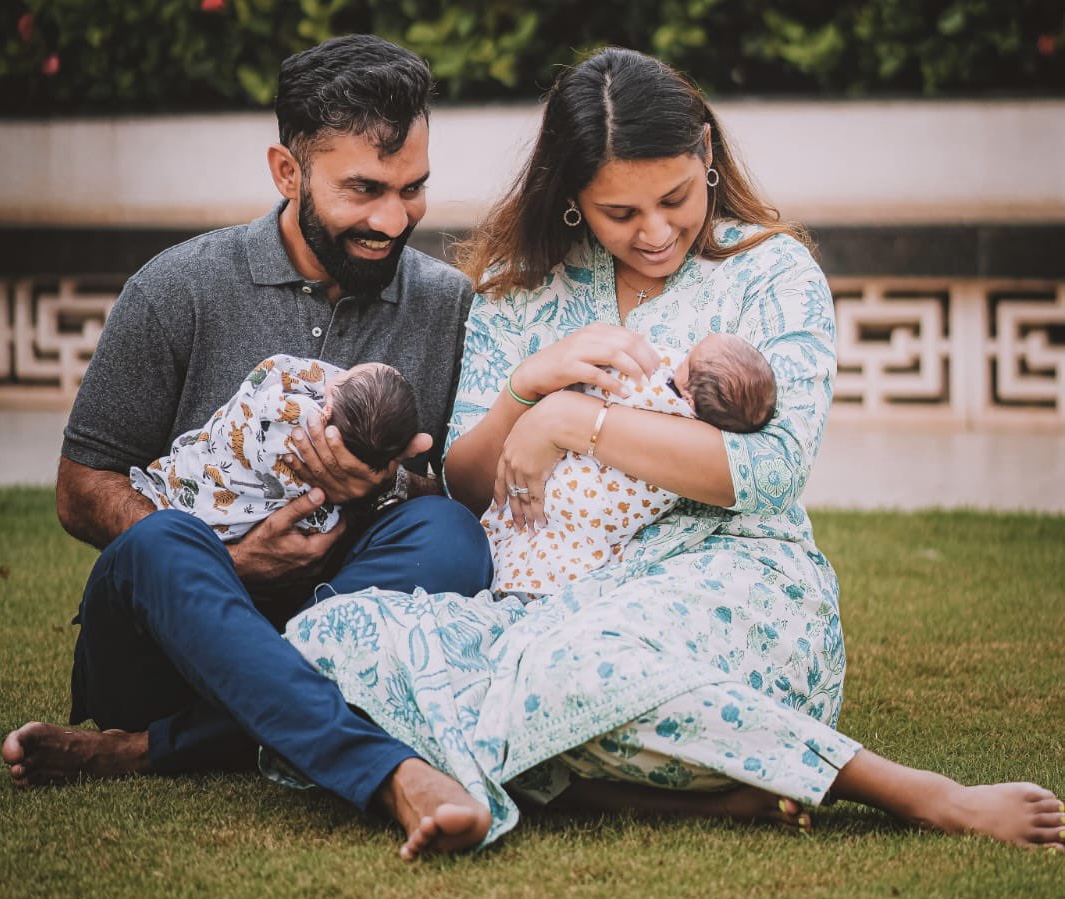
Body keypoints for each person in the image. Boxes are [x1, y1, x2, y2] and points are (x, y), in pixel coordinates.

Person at [269, 47, 1065, 852]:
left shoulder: (770, 274)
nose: (653, 233)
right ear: (573, 196)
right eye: (620, 212)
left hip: (727, 582)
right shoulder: (519, 286)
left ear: (707, 159)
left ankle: (909, 791)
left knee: (568, 670)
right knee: (333, 640)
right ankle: (647, 789)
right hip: (536, 603)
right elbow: (467, 494)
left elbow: (767, 470)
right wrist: (523, 391)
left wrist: (572, 421)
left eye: (674, 198)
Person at [2, 34, 496, 859]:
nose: (392, 218)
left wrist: (385, 485)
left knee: (450, 534)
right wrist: (226, 564)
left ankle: (153, 749)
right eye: (363, 190)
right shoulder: (177, 286)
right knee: (163, 540)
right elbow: (79, 485)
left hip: (336, 613)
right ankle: (389, 772)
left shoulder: (446, 304)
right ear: (286, 172)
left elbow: (444, 488)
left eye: (412, 190)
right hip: (164, 647)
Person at [485, 332, 776, 597]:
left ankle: (527, 581)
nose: (678, 357)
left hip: (595, 500)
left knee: (552, 527)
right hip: (621, 530)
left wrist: (567, 405)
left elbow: (618, 384)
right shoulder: (705, 409)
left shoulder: (662, 398)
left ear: (687, 395)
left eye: (686, 360)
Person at [131, 354, 420, 542]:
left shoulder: (296, 414)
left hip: (206, 506)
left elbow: (266, 392)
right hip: (214, 539)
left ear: (328, 407)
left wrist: (393, 484)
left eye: (345, 376)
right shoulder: (365, 437)